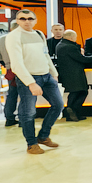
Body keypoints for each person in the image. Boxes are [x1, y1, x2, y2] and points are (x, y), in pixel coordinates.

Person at [6, 9, 63, 154]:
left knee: (58, 105)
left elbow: (46, 55)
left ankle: (43, 136)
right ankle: (31, 143)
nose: (27, 21)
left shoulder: (39, 34)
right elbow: (16, 64)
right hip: (29, 78)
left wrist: (54, 73)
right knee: (28, 112)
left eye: (30, 18)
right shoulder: (13, 36)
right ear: (17, 21)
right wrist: (31, 83)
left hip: (46, 76)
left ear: (35, 20)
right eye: (23, 19)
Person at [55, 29, 92, 121]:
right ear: (71, 37)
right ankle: (72, 110)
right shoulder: (70, 47)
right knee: (82, 92)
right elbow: (82, 59)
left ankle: (73, 113)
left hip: (66, 73)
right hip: (75, 73)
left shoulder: (60, 45)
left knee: (74, 93)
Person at [0, 20, 20, 126]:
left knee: (11, 94)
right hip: (24, 68)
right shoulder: (22, 38)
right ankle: (24, 119)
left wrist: (7, 64)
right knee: (25, 95)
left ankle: (9, 118)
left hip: (10, 69)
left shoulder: (0, 39)